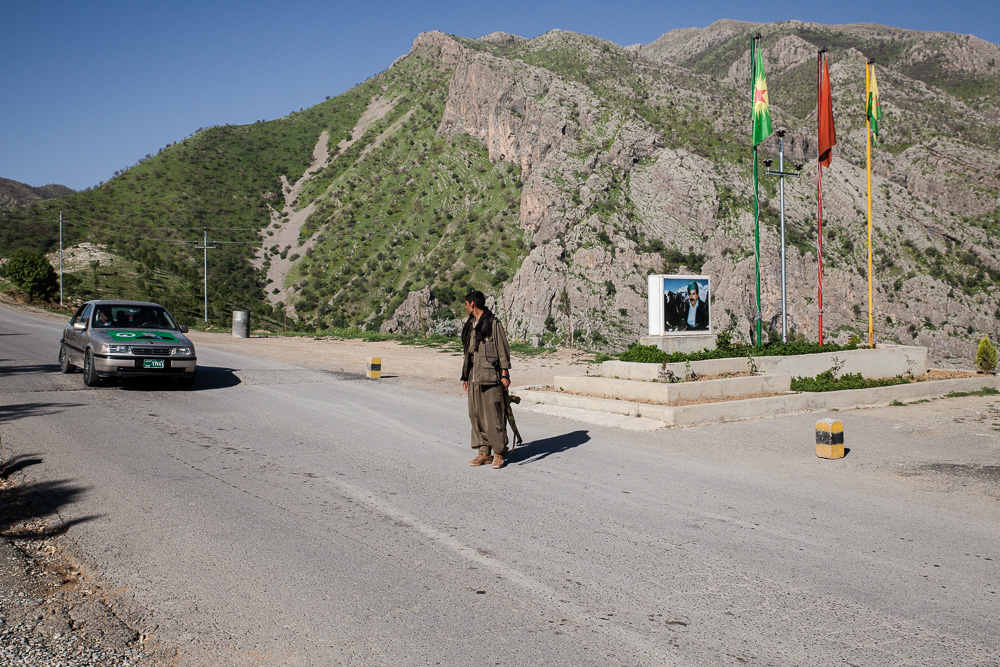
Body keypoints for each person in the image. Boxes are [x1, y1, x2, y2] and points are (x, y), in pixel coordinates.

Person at [460, 291, 511, 469]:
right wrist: (466, 376)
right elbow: (469, 353)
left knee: (493, 416)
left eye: (466, 304)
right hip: (474, 375)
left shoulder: (493, 324)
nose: (465, 307)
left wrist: (505, 374)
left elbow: (503, 350)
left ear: (472, 304)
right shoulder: (471, 324)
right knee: (475, 414)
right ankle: (484, 452)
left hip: (491, 375)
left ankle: (498, 453)